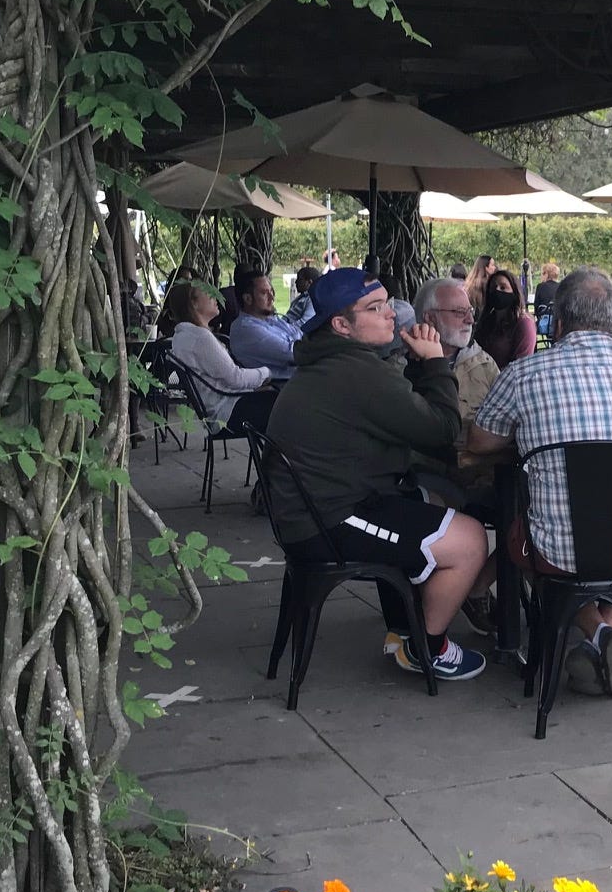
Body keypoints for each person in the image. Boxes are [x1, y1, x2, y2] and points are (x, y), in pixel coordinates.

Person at [264, 269, 489, 681]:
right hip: (329, 522)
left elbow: (404, 417)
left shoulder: (333, 364)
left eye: (387, 302)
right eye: (374, 308)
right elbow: (441, 431)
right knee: (471, 539)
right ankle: (428, 648)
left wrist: (422, 368)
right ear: (341, 325)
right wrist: (437, 362)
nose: (391, 314)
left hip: (314, 511)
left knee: (424, 501)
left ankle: (402, 630)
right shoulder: (357, 373)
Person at [469, 267, 612, 701]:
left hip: (556, 549)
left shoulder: (525, 374)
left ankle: (595, 631)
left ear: (557, 323)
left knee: (519, 541)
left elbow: (481, 440)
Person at [163, 281, 277, 433]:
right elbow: (235, 378)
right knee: (290, 405)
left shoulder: (182, 336)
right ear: (194, 303)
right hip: (228, 413)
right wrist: (267, 372)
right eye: (208, 293)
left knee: (282, 400)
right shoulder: (200, 338)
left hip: (220, 408)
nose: (215, 296)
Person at [412, 277, 501, 441]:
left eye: (471, 311)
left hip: (477, 465)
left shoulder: (485, 365)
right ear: (430, 318)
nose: (470, 320)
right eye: (460, 312)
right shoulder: (400, 367)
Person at [228, 267, 302, 379]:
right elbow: (295, 354)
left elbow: (300, 335)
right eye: (264, 293)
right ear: (248, 299)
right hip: (282, 390)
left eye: (271, 291)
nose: (272, 297)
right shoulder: (246, 329)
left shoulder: (270, 319)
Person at [474, 268, 536, 368]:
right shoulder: (487, 320)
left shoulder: (524, 323)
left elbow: (522, 364)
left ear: (514, 292)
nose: (497, 290)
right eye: (493, 287)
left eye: (503, 287)